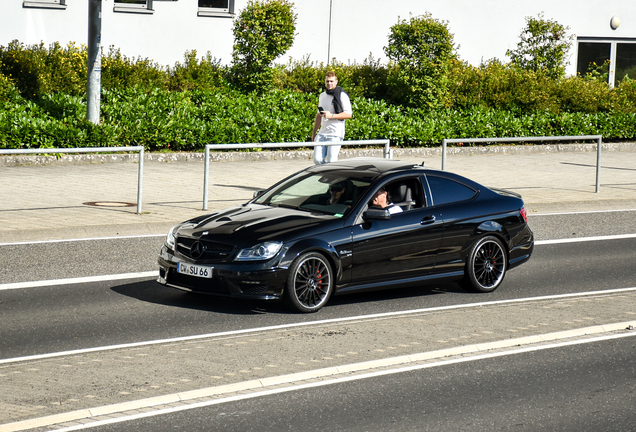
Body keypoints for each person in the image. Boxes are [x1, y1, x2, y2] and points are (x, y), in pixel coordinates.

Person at [311, 71, 353, 165]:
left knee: (332, 161)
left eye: (331, 81)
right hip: (322, 133)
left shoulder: (342, 95)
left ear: (336, 82)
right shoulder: (322, 96)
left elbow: (348, 114)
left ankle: (332, 177)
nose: (329, 83)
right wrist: (314, 133)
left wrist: (332, 116)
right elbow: (319, 115)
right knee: (317, 160)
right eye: (327, 81)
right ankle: (328, 175)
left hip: (335, 134)